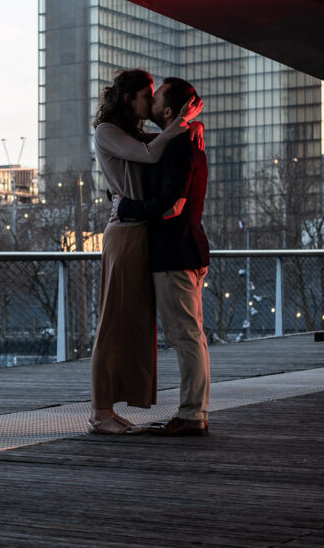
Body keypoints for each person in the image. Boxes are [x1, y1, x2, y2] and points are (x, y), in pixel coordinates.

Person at [89, 69, 202, 435]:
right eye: (145, 95)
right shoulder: (107, 131)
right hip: (124, 232)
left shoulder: (131, 133)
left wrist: (189, 128)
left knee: (134, 327)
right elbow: (150, 154)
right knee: (112, 324)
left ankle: (116, 407)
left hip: (141, 232)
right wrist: (182, 123)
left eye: (155, 96)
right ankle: (100, 411)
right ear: (128, 99)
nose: (150, 102)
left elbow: (155, 144)